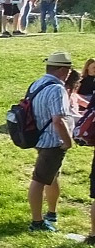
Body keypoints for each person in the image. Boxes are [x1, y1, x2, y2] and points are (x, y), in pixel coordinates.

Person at [28, 51, 74, 232]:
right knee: (39, 180)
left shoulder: (37, 83)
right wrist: (68, 141)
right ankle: (37, 222)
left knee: (52, 177)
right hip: (52, 142)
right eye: (69, 69)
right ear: (63, 70)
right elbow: (58, 120)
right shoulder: (57, 89)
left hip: (39, 138)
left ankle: (51, 213)